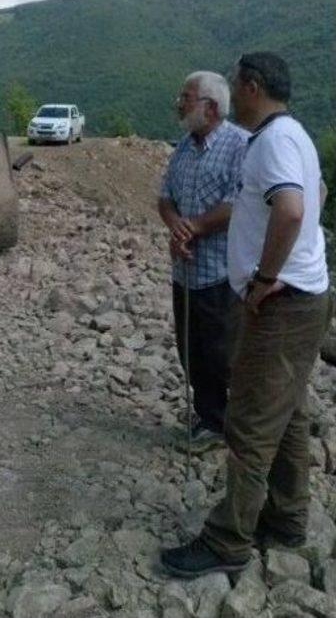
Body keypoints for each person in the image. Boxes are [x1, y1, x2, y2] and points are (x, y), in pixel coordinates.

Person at [162, 52, 331, 578]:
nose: (235, 92)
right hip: (300, 295)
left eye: (239, 83)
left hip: (281, 302)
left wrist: (264, 276)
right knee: (289, 413)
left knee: (251, 422)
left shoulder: (272, 142)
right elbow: (315, 196)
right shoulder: (292, 135)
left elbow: (293, 209)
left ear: (253, 87)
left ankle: (228, 538)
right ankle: (286, 520)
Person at [159, 71, 247, 452]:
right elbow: (165, 197)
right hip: (185, 270)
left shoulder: (239, 146)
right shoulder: (183, 146)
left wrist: (193, 227)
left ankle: (224, 423)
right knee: (190, 349)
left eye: (186, 97)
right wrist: (177, 225)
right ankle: (209, 414)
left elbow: (237, 203)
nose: (179, 102)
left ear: (210, 107)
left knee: (218, 352)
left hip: (220, 272)